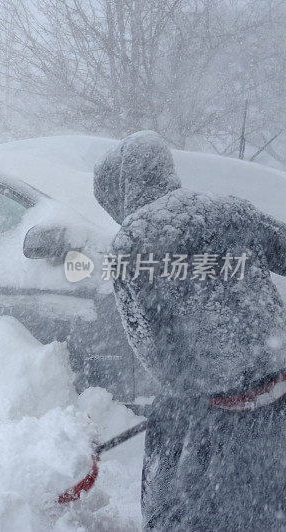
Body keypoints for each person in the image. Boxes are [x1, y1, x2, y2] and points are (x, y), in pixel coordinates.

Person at [93, 131, 286, 530]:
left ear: (123, 188)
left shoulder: (131, 245)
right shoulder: (230, 210)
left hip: (221, 420)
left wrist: (182, 407)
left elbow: (154, 351)